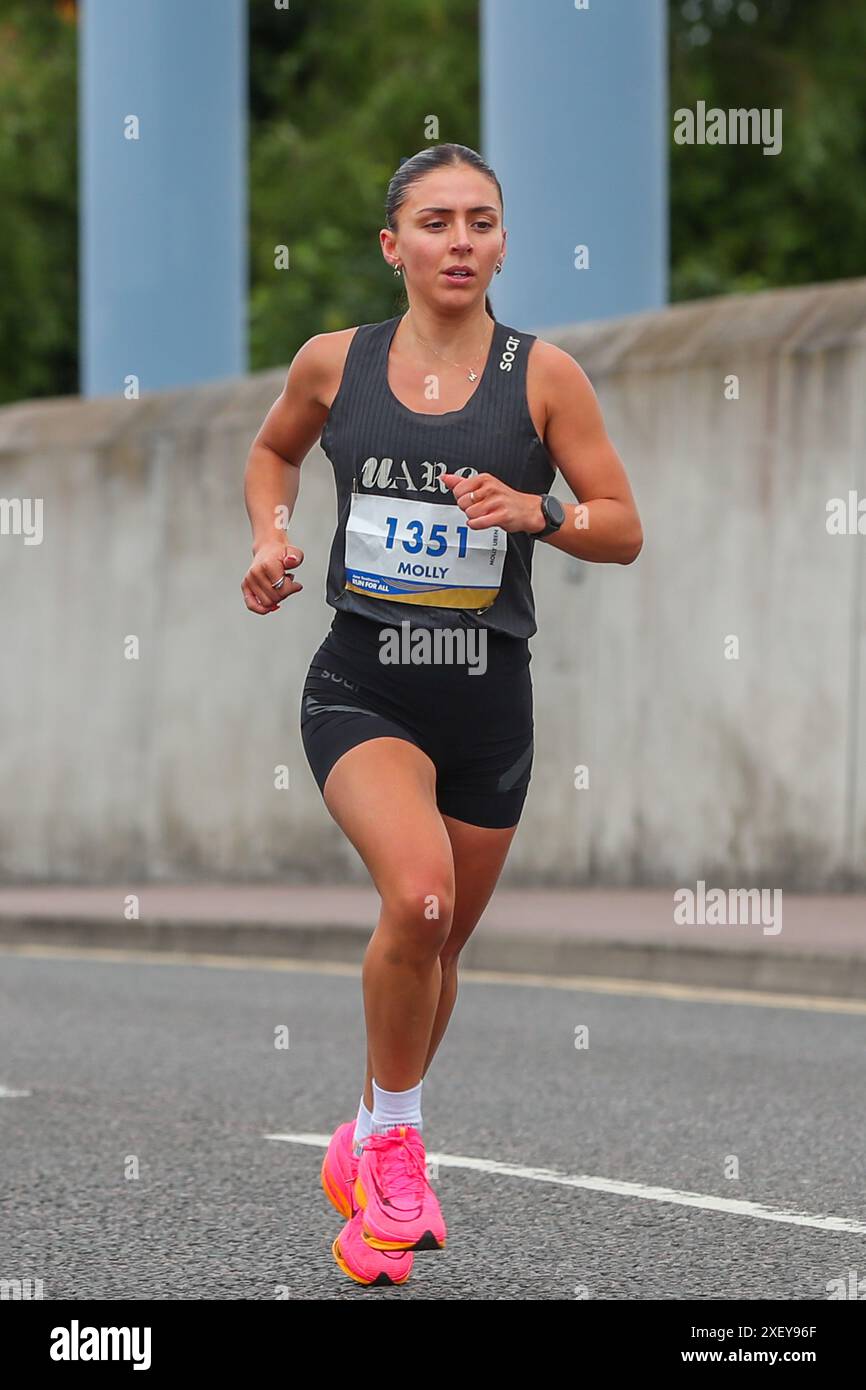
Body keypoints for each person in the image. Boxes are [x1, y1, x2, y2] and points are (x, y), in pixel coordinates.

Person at [242, 143, 643, 1287]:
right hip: (362, 683)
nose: (458, 241)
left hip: (487, 699)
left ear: (503, 241)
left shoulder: (544, 376)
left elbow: (620, 524)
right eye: (434, 222)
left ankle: (364, 1139)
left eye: (479, 221)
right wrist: (269, 537)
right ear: (393, 245)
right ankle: (400, 1150)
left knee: (439, 941)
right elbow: (272, 451)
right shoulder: (335, 363)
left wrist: (536, 510)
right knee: (415, 894)